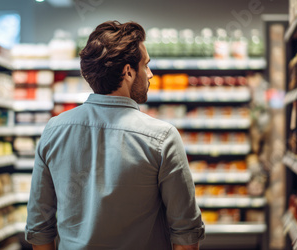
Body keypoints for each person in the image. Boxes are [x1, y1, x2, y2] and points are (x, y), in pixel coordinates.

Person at [26, 20, 205, 250]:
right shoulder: (162, 138)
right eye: (146, 65)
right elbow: (186, 237)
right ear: (128, 72)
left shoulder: (54, 131)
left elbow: (39, 230)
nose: (150, 74)